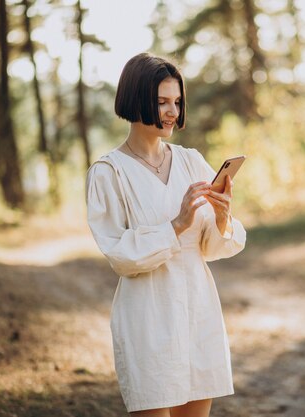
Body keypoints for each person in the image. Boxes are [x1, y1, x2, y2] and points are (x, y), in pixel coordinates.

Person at [85, 52, 247, 417]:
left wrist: (221, 217)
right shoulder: (109, 173)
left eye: (176, 102)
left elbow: (211, 244)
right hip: (148, 313)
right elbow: (120, 256)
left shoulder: (191, 160)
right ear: (135, 99)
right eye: (161, 102)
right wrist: (176, 225)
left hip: (198, 306)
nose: (172, 111)